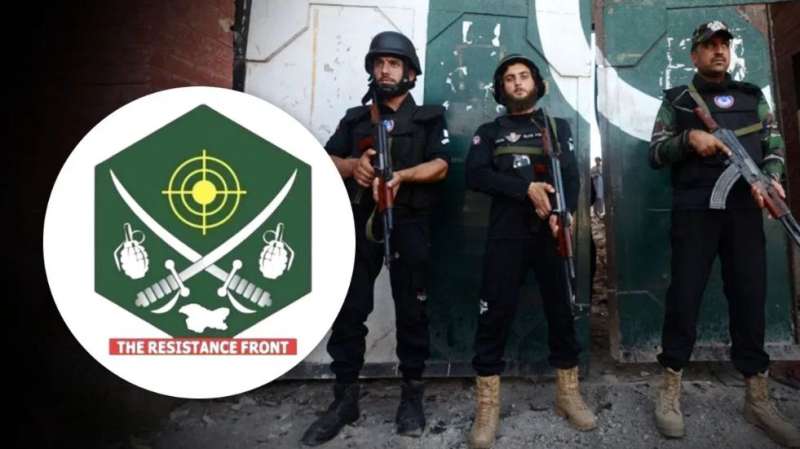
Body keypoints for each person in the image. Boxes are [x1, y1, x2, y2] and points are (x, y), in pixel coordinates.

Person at [648, 20, 799, 448]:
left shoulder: (753, 97)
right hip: (695, 211)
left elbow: (774, 145)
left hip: (744, 212)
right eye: (709, 45)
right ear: (694, 54)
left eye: (723, 45)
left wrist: (771, 178)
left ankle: (757, 397)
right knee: (684, 297)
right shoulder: (676, 100)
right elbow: (655, 152)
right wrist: (689, 139)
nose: (718, 51)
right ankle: (670, 388)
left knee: (750, 298)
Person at [300, 31, 450, 445]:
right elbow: (323, 159)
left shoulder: (429, 118)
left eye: (394, 63)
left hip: (410, 223)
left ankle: (412, 396)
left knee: (412, 310)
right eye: (379, 63)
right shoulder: (355, 119)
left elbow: (441, 165)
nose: (385, 70)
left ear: (410, 73)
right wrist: (353, 167)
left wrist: (402, 176)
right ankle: (344, 399)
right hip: (360, 223)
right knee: (349, 309)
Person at [464, 53, 596, 449]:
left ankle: (567, 394)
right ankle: (487, 406)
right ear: (500, 89)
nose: (518, 82)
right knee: (493, 315)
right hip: (507, 236)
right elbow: (475, 175)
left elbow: (570, 175)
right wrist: (525, 189)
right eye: (509, 78)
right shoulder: (490, 132)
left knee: (561, 312)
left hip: (551, 234)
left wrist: (563, 214)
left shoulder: (557, 127)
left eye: (524, 76)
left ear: (537, 84)